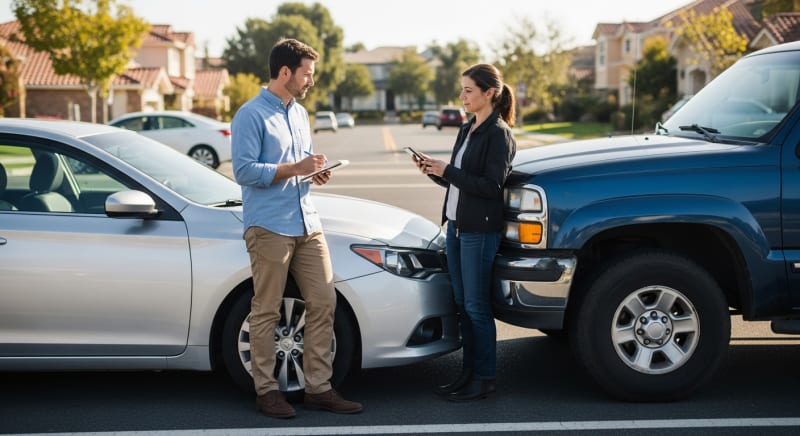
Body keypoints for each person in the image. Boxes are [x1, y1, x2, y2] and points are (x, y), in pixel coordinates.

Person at [231, 38, 363, 419]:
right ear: (285, 72)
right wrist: (296, 169)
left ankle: (319, 388)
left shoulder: (300, 114)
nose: (311, 81)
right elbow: (244, 171)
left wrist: (313, 172)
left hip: (307, 220)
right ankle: (267, 391)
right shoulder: (250, 115)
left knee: (324, 301)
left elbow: (298, 168)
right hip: (269, 226)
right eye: (307, 74)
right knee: (266, 309)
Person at [415, 63, 516, 402]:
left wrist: (449, 171)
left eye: (469, 90)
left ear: (489, 93)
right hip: (457, 228)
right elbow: (456, 179)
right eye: (463, 90)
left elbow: (490, 186)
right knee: (461, 304)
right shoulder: (467, 128)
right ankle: (468, 373)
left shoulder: (499, 134)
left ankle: (485, 377)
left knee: (476, 306)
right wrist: (434, 171)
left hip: (479, 231)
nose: (463, 96)